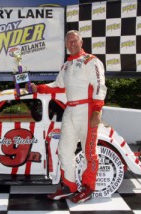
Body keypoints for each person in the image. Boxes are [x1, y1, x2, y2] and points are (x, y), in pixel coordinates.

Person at [28, 30, 107, 203]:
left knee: (89, 152)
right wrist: (38, 88)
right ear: (65, 45)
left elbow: (99, 86)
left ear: (81, 42)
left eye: (75, 40)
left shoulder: (91, 61)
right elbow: (57, 86)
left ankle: (88, 187)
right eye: (68, 41)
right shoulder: (66, 65)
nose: (72, 44)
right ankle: (69, 185)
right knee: (64, 150)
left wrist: (97, 110)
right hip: (70, 110)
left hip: (87, 110)